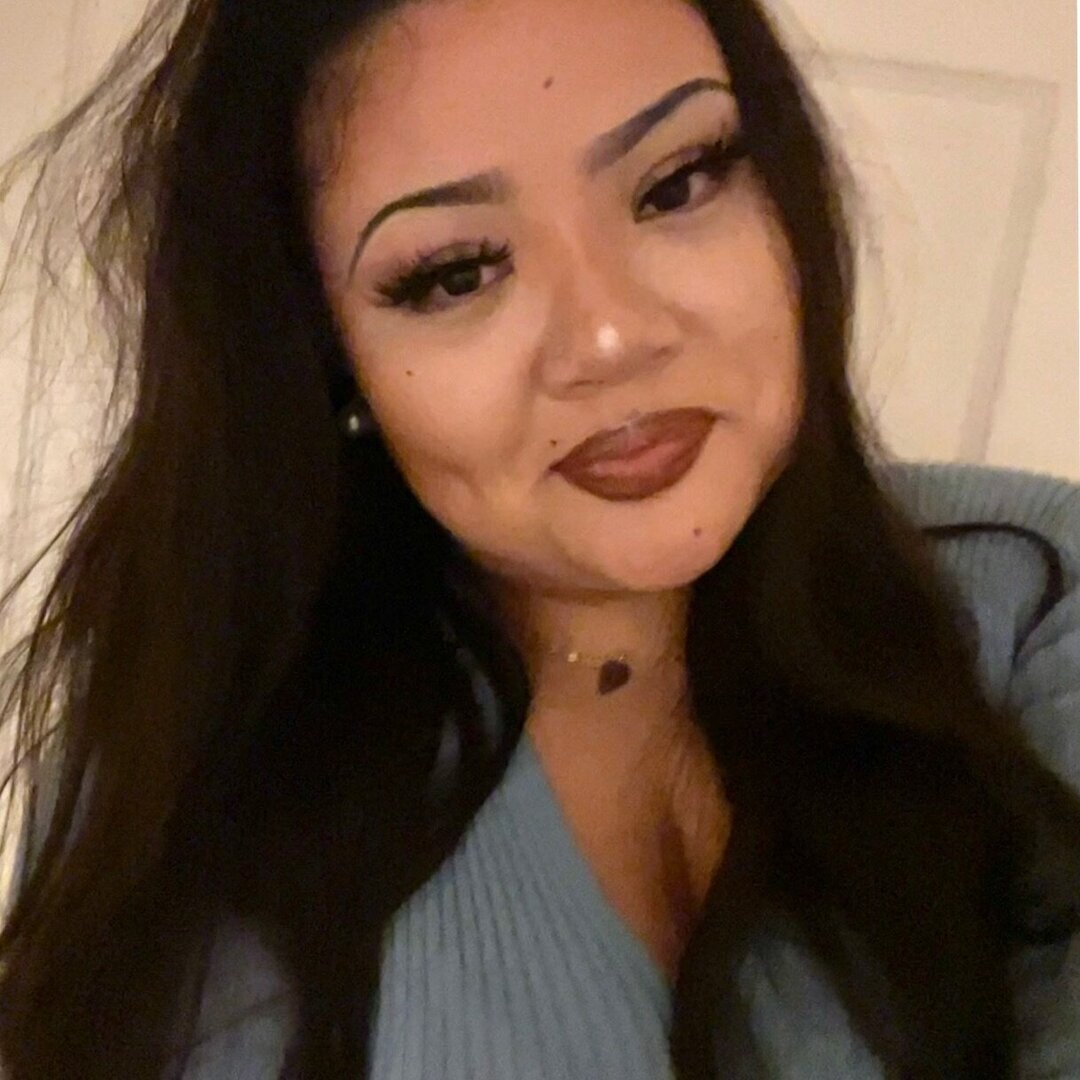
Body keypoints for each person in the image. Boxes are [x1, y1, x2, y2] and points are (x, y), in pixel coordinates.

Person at [0, 0, 1077, 1076]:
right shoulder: (191, 752)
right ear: (328, 354)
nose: (610, 336)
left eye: (677, 185)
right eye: (457, 273)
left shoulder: (1036, 590)